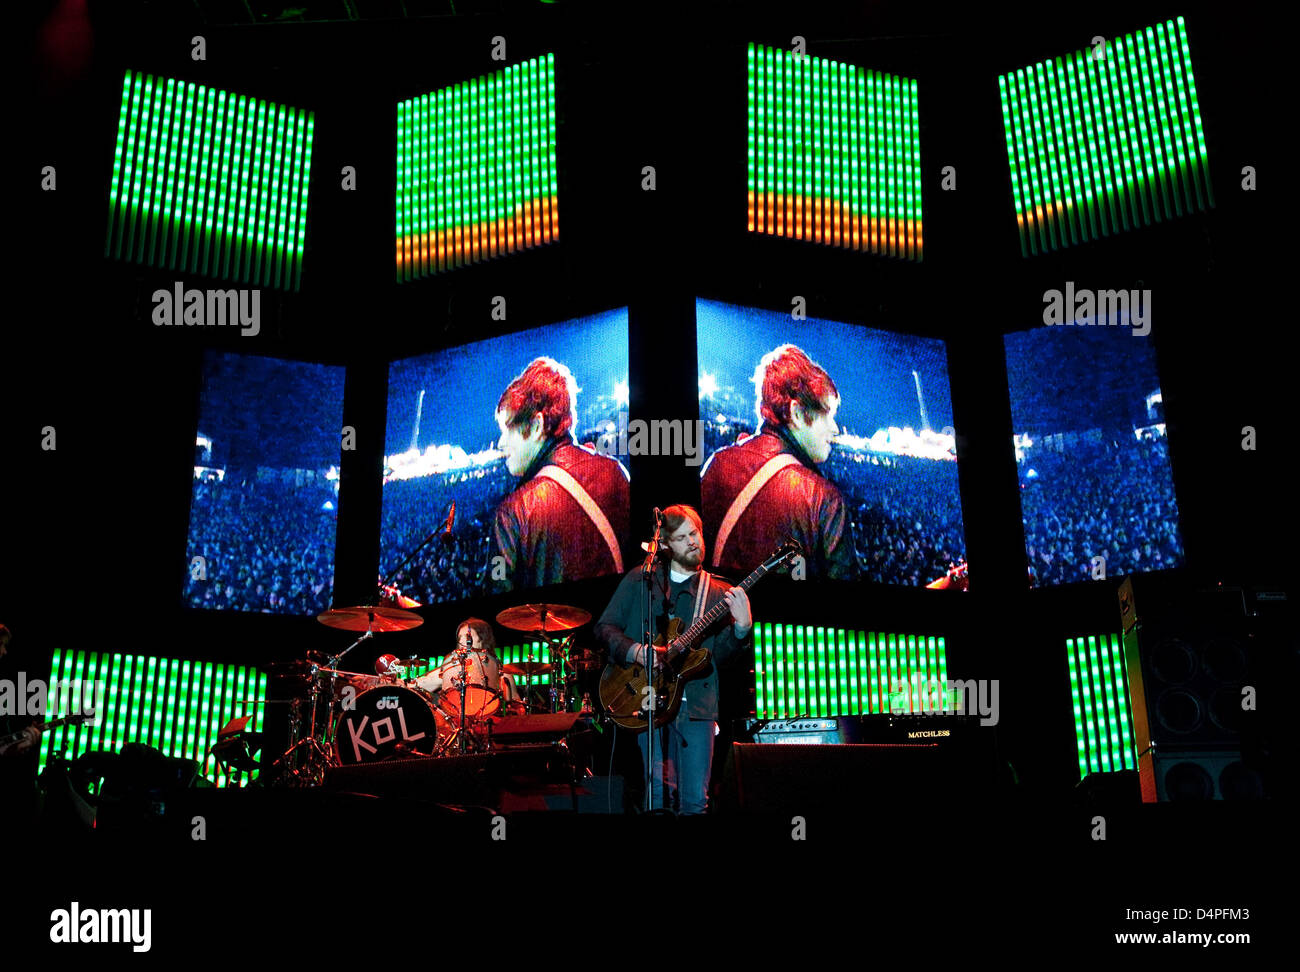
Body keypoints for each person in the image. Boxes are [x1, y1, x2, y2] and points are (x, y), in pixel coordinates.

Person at [594, 505, 752, 814]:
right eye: (682, 537)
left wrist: (741, 630)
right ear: (664, 545)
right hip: (646, 700)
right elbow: (603, 629)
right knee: (655, 796)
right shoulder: (641, 580)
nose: (694, 541)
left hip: (696, 705)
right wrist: (635, 651)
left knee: (695, 801)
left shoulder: (717, 592)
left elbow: (718, 657)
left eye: (695, 533)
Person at [701, 344, 855, 580]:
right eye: (828, 415)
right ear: (796, 413)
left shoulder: (716, 465)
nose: (834, 429)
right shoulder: (824, 501)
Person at [491, 357, 630, 594]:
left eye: (507, 430)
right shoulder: (616, 473)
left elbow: (497, 608)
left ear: (536, 426)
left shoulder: (512, 513)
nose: (501, 443)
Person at [412, 618, 519, 720]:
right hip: (456, 723)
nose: (462, 641)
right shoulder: (452, 668)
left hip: (491, 727)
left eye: (468, 637)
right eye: (460, 637)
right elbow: (419, 686)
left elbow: (517, 708)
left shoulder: (503, 675)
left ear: (482, 639)